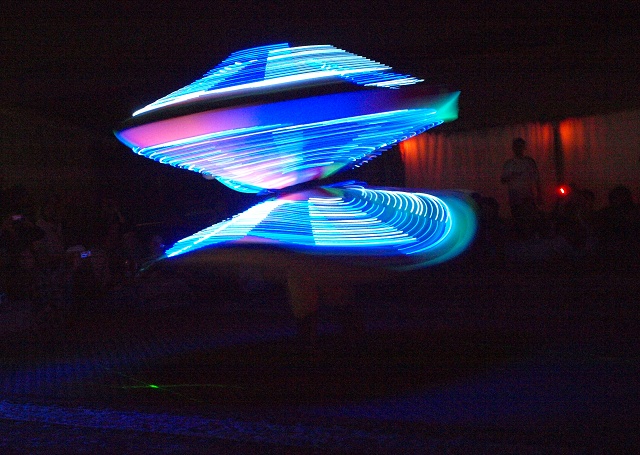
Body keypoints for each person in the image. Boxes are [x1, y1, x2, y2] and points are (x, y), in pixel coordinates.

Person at [500, 138, 543, 238]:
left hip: (527, 196)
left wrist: (539, 194)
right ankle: (521, 237)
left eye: (520, 146)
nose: (518, 149)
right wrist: (510, 176)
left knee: (529, 218)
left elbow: (536, 178)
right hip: (515, 196)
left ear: (524, 147)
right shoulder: (509, 164)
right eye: (516, 146)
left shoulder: (529, 162)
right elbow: (503, 180)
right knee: (518, 218)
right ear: (513, 148)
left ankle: (531, 237)